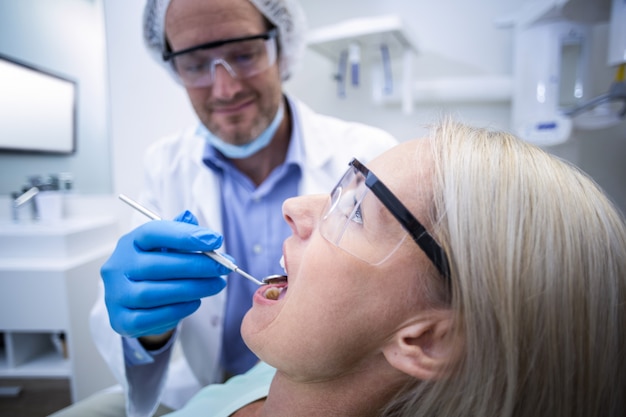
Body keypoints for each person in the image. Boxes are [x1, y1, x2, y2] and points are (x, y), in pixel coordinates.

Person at [49, 0, 396, 416]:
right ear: (173, 66)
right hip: (200, 390)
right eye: (195, 64)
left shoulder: (370, 156)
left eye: (244, 54)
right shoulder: (165, 165)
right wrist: (150, 330)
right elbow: (133, 311)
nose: (225, 89)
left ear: (281, 48)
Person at [163, 118, 626, 417]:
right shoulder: (270, 377)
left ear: (427, 338)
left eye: (355, 211)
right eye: (343, 190)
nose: (293, 208)